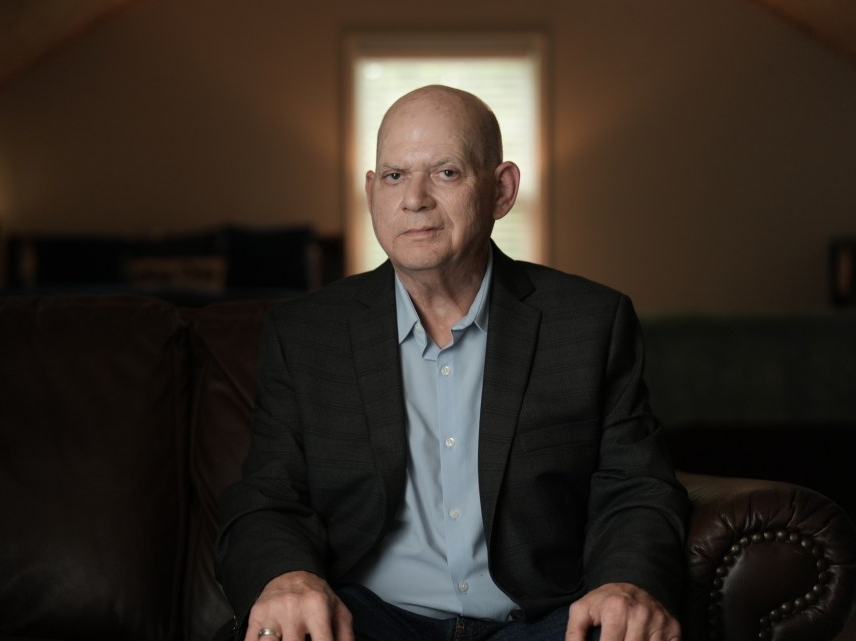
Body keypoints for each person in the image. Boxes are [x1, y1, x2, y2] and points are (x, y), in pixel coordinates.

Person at [214, 85, 689, 641]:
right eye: (394, 176)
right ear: (372, 193)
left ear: (501, 190)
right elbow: (267, 497)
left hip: (542, 623)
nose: (413, 199)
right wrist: (286, 577)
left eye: (445, 172)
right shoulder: (306, 334)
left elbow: (636, 487)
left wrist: (627, 582)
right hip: (365, 621)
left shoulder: (588, 323)